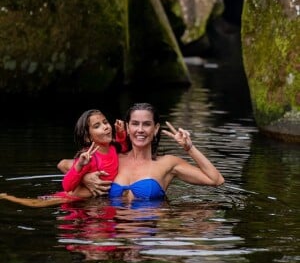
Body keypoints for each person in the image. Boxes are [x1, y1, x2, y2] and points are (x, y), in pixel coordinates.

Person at [58, 102, 224, 201]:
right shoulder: (115, 158)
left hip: (148, 236)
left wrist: (189, 148)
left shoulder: (167, 163)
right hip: (116, 234)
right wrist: (86, 177)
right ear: (128, 128)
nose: (140, 130)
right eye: (135, 124)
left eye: (146, 124)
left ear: (156, 128)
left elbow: (215, 180)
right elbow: (64, 165)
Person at [0, 109, 128, 207]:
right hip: (72, 199)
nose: (105, 126)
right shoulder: (89, 158)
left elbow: (123, 148)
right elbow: (67, 186)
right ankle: (7, 197)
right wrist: (79, 165)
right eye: (97, 126)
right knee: (36, 204)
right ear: (88, 138)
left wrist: (121, 134)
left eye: (105, 122)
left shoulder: (113, 147)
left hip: (91, 202)